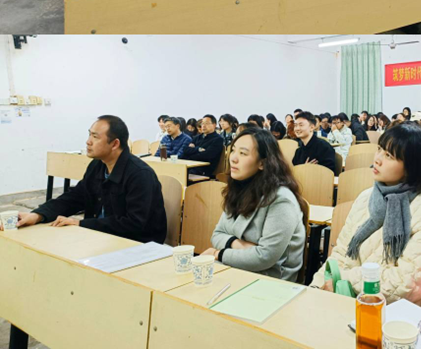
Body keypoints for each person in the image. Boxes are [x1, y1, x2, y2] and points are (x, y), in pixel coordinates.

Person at [311, 123, 421, 304]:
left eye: (389, 156)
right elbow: (341, 253)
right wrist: (316, 288)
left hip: (391, 311)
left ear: (413, 167)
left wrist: (343, 280)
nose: (377, 159)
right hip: (344, 298)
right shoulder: (367, 197)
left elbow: (407, 283)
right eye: (379, 150)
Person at [2, 116, 167, 243]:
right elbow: (75, 197)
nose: (88, 142)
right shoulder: (97, 165)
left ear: (115, 144)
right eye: (89, 135)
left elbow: (134, 224)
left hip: (135, 244)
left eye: (95, 137)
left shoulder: (140, 175)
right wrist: (38, 215)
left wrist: (81, 224)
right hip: (100, 237)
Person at [201, 128, 307, 281]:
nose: (233, 158)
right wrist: (243, 246)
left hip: (272, 280)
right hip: (238, 268)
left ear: (262, 163)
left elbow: (264, 257)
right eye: (233, 150)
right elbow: (217, 235)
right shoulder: (239, 187)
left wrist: (218, 253)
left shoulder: (281, 199)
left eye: (243, 153)